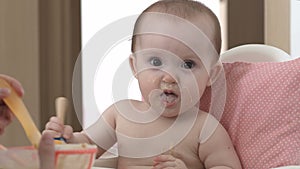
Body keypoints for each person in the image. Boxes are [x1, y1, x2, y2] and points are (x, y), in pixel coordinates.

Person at [45, 1, 242, 169]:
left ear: (211, 75)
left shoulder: (205, 128)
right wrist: (65, 140)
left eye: (188, 64)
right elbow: (86, 145)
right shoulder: (120, 114)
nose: (170, 77)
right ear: (135, 66)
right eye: (156, 62)